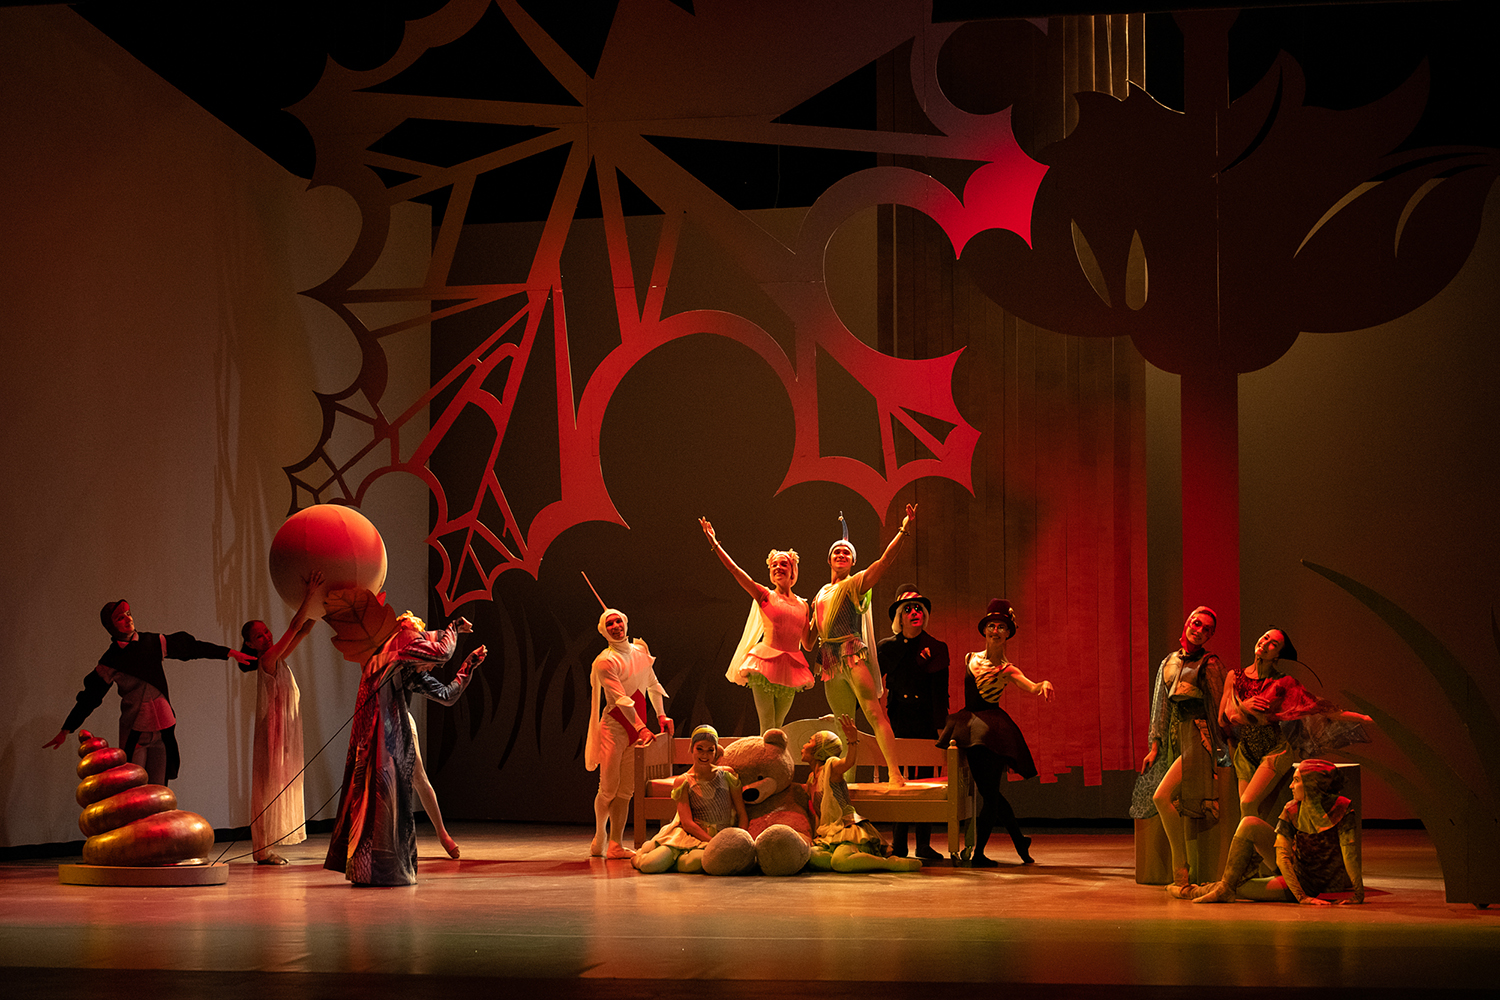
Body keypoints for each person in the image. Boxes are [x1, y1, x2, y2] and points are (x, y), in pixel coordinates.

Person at [324, 610, 485, 886]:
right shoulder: (401, 644)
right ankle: (374, 867)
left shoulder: (407, 669)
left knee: (393, 792)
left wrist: (468, 665)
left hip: (391, 730)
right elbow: (442, 652)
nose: (430, 666)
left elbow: (446, 695)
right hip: (376, 731)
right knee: (382, 791)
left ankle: (381, 866)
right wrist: (454, 626)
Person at [44, 600, 254, 785]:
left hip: (163, 728)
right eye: (120, 618)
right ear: (111, 626)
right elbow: (90, 696)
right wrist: (67, 729)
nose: (128, 619)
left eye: (128, 614)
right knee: (134, 786)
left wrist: (228, 653)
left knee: (159, 789)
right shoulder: (111, 660)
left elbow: (190, 648)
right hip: (136, 730)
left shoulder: (152, 642)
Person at [938, 598, 1053, 866]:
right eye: (992, 625)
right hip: (969, 727)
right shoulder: (970, 658)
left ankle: (980, 853)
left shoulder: (1007, 669)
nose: (996, 631)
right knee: (990, 794)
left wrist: (1043, 684)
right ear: (985, 630)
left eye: (1002, 626)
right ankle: (1019, 841)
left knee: (989, 795)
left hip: (990, 734)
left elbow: (1031, 686)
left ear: (1008, 633)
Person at [1220, 628, 1371, 822]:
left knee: (1247, 803)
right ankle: (1263, 842)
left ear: (1278, 655)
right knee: (1246, 812)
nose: (1265, 643)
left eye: (1273, 644)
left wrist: (1364, 718)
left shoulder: (1284, 682)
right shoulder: (1234, 676)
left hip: (1274, 750)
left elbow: (1322, 708)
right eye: (1265, 638)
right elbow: (1222, 719)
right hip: (1246, 752)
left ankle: (1269, 842)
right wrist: (1244, 708)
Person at [811, 506, 916, 786]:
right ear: (829, 558)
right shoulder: (820, 594)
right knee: (842, 723)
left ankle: (894, 773)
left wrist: (903, 530)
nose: (841, 554)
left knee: (872, 712)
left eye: (847, 552)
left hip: (850, 652)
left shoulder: (854, 583)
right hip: (829, 661)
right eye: (837, 551)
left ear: (853, 561)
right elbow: (808, 640)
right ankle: (847, 783)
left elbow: (883, 562)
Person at [1130, 606, 1227, 894]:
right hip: (1176, 736)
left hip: (1199, 736)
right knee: (1173, 803)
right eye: (1196, 623)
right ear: (1187, 623)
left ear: (1210, 635)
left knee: (1163, 797)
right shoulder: (1169, 661)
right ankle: (1184, 874)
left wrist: (1221, 752)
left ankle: (1181, 872)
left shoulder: (1210, 664)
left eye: (1206, 629)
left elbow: (1218, 707)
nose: (1199, 630)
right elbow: (1160, 705)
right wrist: (1154, 745)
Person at [1189, 759, 1364, 904]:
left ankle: (1197, 890)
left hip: (1316, 885)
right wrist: (1301, 897)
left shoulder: (1342, 808)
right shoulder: (1292, 809)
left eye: (1296, 780)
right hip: (1296, 875)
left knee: (1238, 886)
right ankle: (1218, 889)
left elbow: (1350, 854)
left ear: (1312, 785)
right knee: (1249, 823)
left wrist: (1358, 894)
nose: (1291, 786)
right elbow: (1282, 858)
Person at [238, 571, 323, 864]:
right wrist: (309, 595)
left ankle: (264, 848)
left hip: (283, 729)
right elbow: (295, 626)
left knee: (275, 785)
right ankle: (261, 850)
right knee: (265, 788)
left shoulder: (279, 658)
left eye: (266, 632)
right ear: (251, 645)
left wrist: (321, 605)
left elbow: (304, 630)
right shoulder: (268, 659)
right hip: (272, 731)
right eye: (259, 636)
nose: (266, 636)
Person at [699, 517, 814, 732]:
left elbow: (807, 644)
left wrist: (822, 614)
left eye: (783, 564)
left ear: (793, 570)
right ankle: (765, 755)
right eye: (774, 565)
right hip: (764, 664)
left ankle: (773, 754)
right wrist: (715, 543)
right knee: (768, 725)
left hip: (791, 668)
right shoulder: (765, 595)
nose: (778, 567)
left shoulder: (803, 605)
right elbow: (735, 570)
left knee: (778, 728)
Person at [587, 607, 671, 859]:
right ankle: (600, 833)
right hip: (615, 727)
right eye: (609, 624)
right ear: (604, 631)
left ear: (625, 623)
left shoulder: (640, 652)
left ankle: (615, 844)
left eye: (618, 621)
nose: (615, 626)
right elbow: (620, 699)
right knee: (608, 788)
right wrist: (641, 728)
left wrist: (661, 715)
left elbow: (653, 684)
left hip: (637, 728)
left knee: (626, 790)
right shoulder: (605, 661)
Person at [876, 584, 949, 859]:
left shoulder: (937, 648)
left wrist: (942, 730)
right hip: (898, 720)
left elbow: (940, 693)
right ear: (900, 616)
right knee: (900, 779)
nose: (914, 612)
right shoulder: (886, 648)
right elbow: (873, 685)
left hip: (926, 721)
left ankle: (923, 844)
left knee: (925, 782)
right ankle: (899, 843)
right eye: (908, 609)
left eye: (919, 608)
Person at [803, 714, 921, 872]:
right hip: (828, 834)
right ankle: (850, 860)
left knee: (839, 861)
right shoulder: (812, 779)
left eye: (809, 741)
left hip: (847, 831)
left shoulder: (831, 767)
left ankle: (890, 863)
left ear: (820, 751)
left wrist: (852, 741)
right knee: (809, 856)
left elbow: (848, 762)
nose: (804, 745)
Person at [632, 725, 748, 873]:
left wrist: (740, 839)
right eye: (700, 749)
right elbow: (687, 823)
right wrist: (713, 843)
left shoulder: (727, 775)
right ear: (692, 748)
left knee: (697, 862)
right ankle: (639, 858)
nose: (705, 754)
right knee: (649, 865)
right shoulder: (684, 782)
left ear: (715, 751)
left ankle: (678, 861)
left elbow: (741, 813)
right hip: (690, 835)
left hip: (720, 837)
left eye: (710, 750)